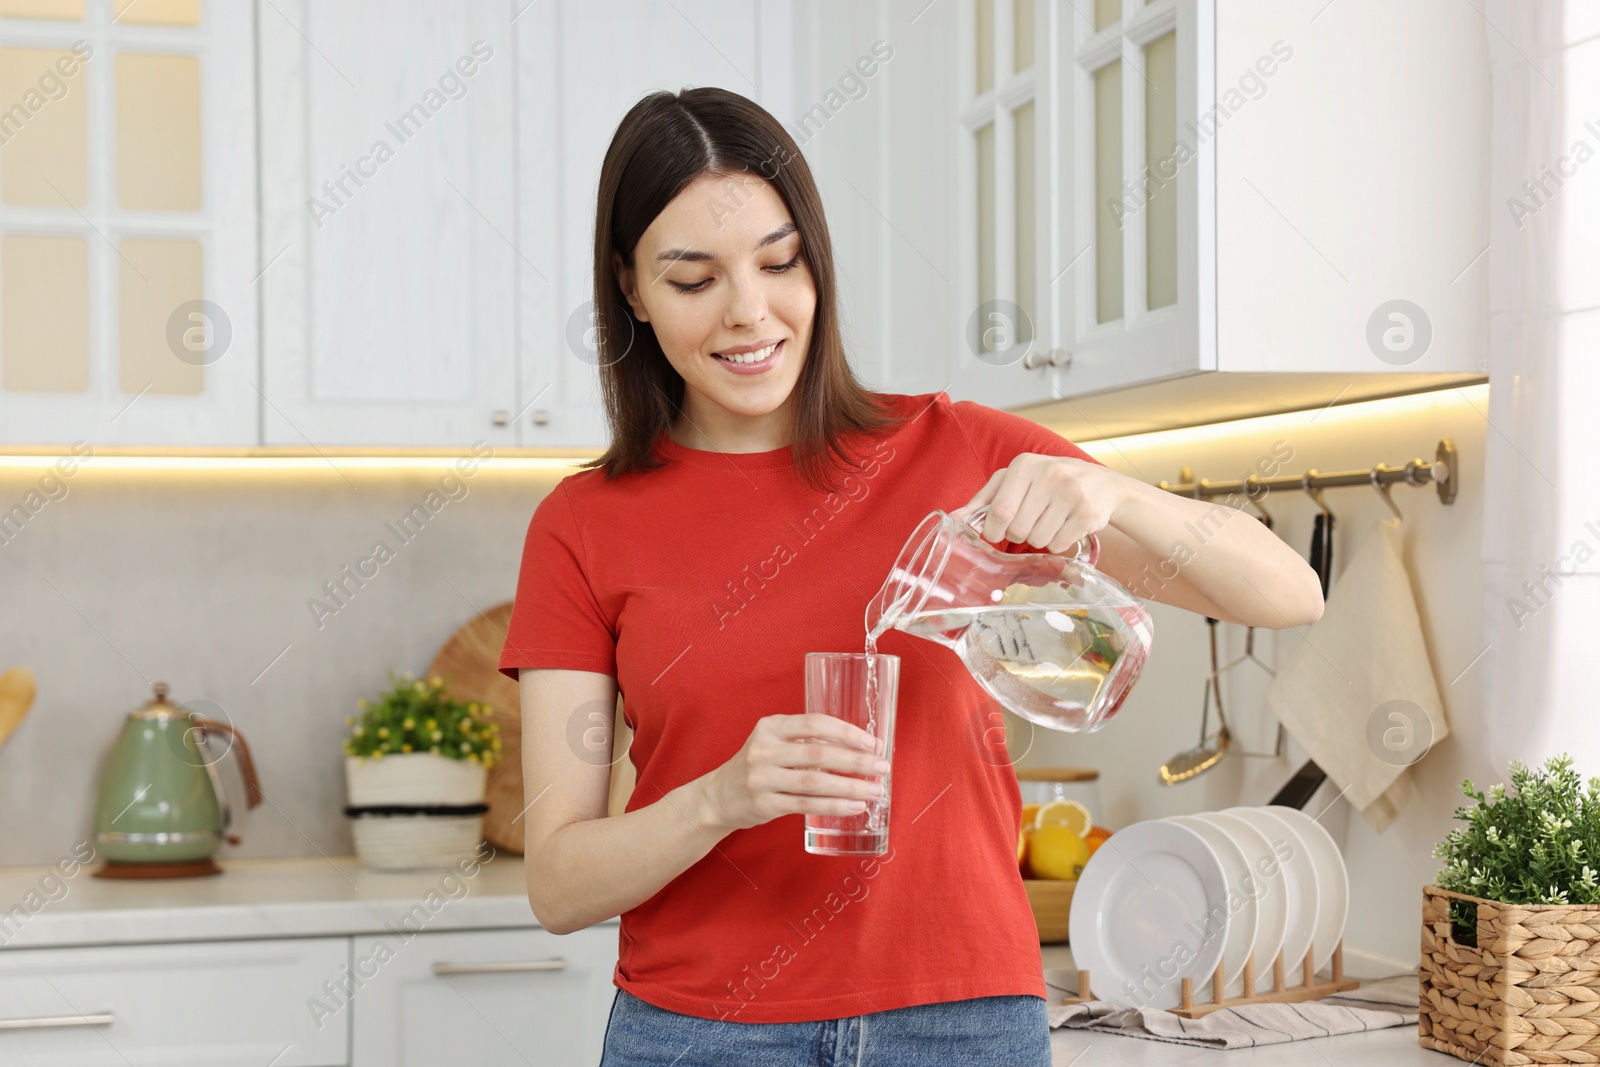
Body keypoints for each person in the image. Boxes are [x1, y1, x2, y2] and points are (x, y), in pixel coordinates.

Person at [497, 86, 1322, 1066]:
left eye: (778, 262)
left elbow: (1288, 593)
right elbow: (557, 881)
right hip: (702, 1030)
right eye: (693, 279)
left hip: (962, 1019)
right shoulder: (584, 525)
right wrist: (721, 796)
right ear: (631, 289)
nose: (748, 311)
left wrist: (1117, 497)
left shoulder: (957, 452)